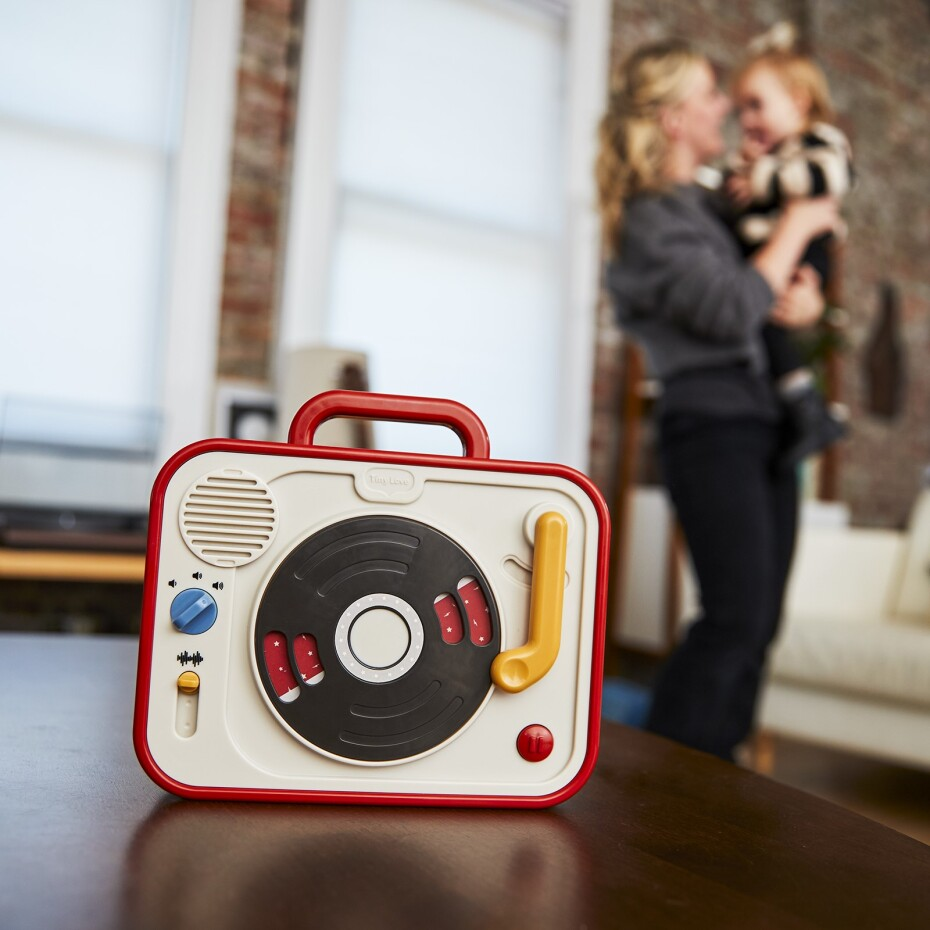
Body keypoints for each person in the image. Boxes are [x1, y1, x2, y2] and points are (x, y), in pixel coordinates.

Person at [596, 39, 837, 761]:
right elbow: (733, 307)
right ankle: (664, 787)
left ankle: (723, 785)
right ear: (672, 118)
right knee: (732, 617)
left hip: (766, 425)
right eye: (708, 94)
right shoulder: (648, 219)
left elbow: (767, 293)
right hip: (712, 428)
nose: (724, 105)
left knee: (761, 622)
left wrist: (807, 298)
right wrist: (803, 221)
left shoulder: (710, 204)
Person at [727, 22, 853, 467]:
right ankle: (804, 405)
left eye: (756, 105)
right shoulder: (768, 157)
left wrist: (762, 178)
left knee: (774, 311)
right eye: (742, 109)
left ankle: (805, 406)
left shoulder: (818, 141)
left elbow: (831, 176)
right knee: (768, 320)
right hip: (778, 248)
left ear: (799, 102)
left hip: (811, 250)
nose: (746, 120)